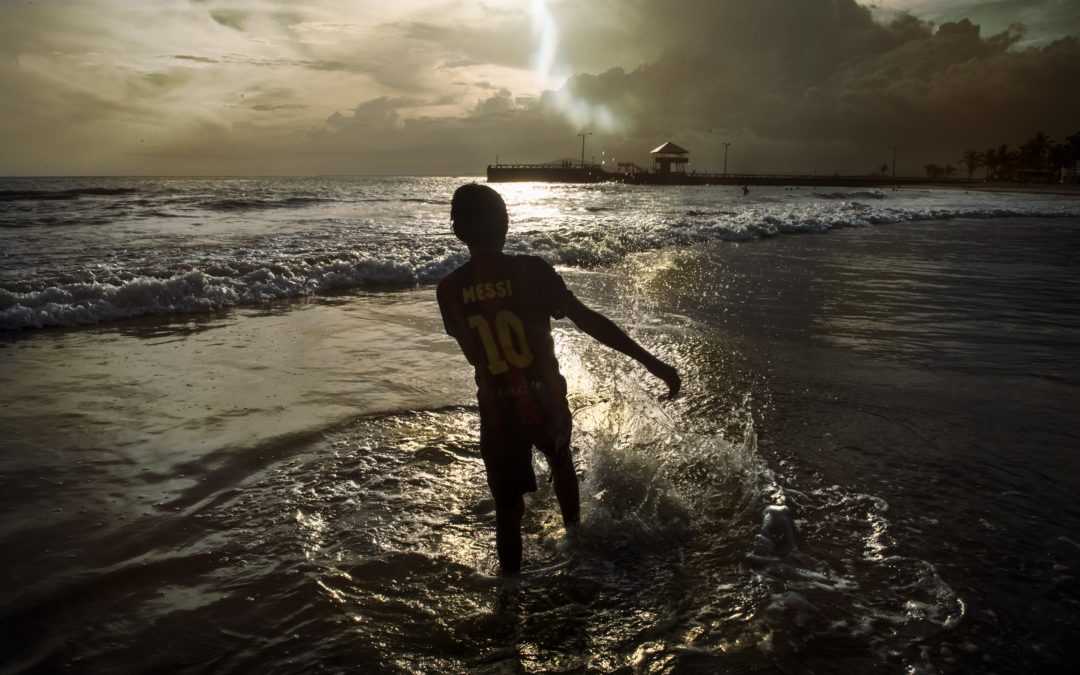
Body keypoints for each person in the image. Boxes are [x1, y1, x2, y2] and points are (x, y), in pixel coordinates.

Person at [437, 183, 681, 575]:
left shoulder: (448, 289)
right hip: (544, 400)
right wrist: (651, 362)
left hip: (498, 414)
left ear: (458, 230)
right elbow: (587, 320)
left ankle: (510, 587)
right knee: (561, 460)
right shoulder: (531, 270)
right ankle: (575, 540)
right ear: (505, 224)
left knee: (507, 509)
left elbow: (472, 355)